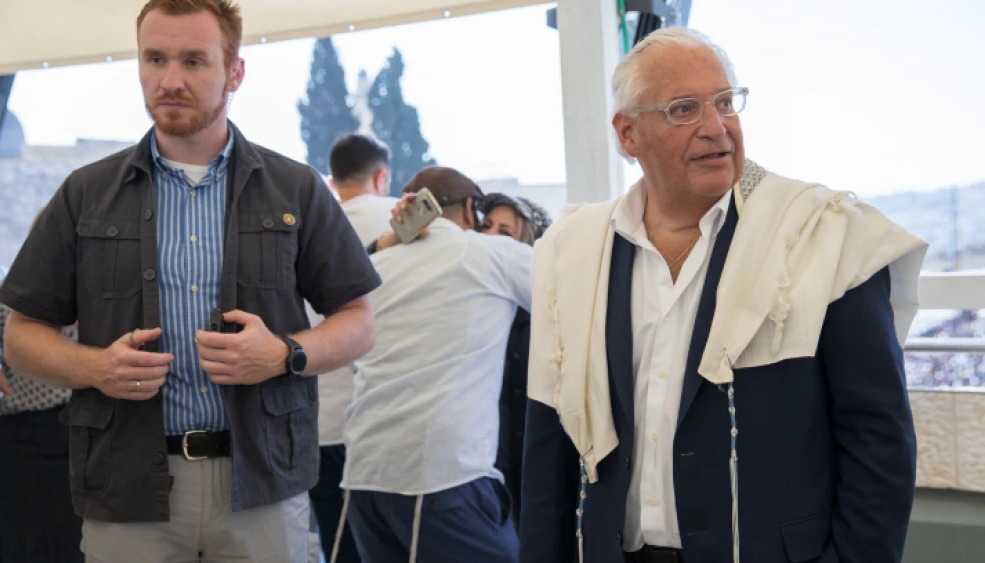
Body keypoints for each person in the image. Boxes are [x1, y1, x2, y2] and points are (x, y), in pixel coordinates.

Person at [520, 28, 928, 563]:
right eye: (684, 109)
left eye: (725, 102)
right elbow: (548, 440)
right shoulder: (572, 250)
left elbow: (878, 439)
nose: (716, 127)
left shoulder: (820, 235)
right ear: (628, 134)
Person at [0, 1, 380, 561]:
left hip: (262, 484)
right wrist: (96, 368)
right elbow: (21, 335)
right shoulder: (85, 193)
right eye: (155, 59)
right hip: (126, 486)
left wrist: (283, 355)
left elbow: (359, 323)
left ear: (235, 72)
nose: (170, 80)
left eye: (194, 61)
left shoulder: (296, 189)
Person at [341, 167, 531, 563]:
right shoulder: (487, 253)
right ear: (469, 210)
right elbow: (577, 291)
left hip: (364, 475)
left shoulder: (375, 266)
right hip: (437, 477)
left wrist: (387, 241)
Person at [308, 133, 397, 563]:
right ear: (381, 178)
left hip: (319, 420)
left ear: (333, 182)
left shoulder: (311, 227)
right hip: (385, 419)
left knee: (337, 543)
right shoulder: (400, 223)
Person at [0, 280, 82, 563]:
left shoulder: (105, 290)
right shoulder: (10, 292)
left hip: (93, 430)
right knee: (21, 538)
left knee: (85, 537)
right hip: (24, 434)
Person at [477, 193, 551, 532]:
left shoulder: (545, 316)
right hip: (483, 472)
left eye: (505, 233)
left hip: (532, 475)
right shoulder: (472, 308)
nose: (490, 238)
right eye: (486, 227)